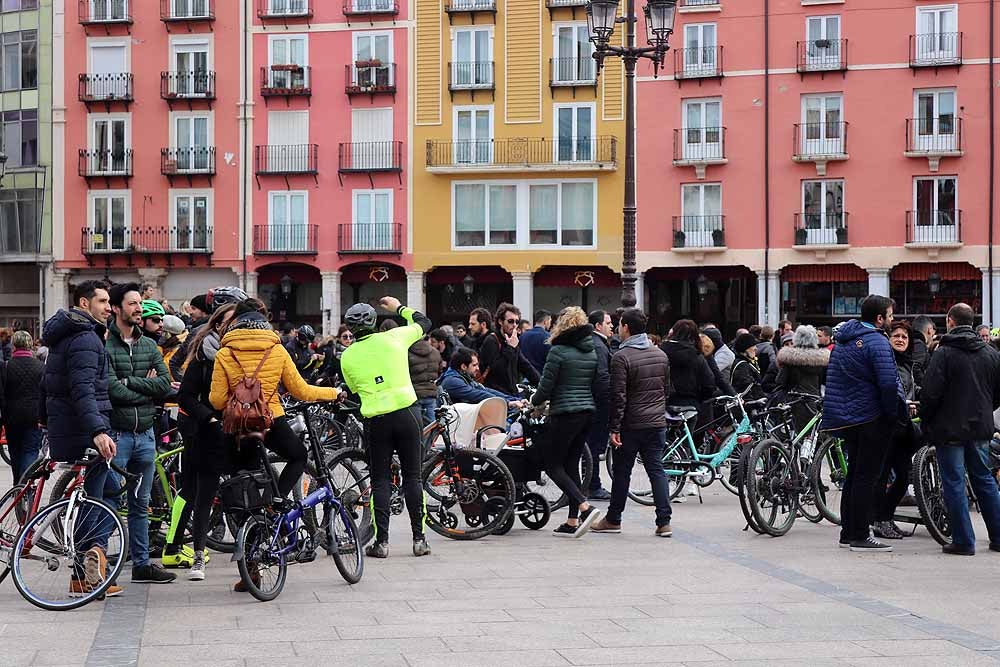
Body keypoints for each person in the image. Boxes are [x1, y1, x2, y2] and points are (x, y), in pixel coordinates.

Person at [209, 300, 339, 504]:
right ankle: (275, 501)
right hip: (270, 420)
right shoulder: (277, 351)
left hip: (238, 424)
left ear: (236, 322)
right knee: (298, 456)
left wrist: (240, 400)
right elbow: (301, 391)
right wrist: (333, 393)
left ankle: (248, 526)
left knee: (244, 476)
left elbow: (216, 401)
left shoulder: (225, 353)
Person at [40, 280, 122, 598]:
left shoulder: (61, 336)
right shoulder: (86, 338)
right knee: (97, 499)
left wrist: (45, 422)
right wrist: (98, 431)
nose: (108, 307)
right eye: (102, 301)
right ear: (84, 304)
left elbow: (47, 384)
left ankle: (84, 572)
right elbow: (83, 389)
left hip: (67, 428)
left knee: (106, 493)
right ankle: (92, 565)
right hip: (85, 430)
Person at [340, 296, 433, 559]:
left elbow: (354, 389)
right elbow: (424, 322)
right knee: (413, 476)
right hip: (408, 412)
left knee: (380, 480)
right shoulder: (395, 337)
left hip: (376, 420)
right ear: (373, 322)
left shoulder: (347, 356)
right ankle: (419, 539)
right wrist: (397, 308)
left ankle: (382, 543)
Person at [822, 294, 905, 553]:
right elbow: (889, 383)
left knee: (855, 475)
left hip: (849, 417)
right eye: (890, 316)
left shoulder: (844, 340)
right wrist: (893, 414)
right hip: (872, 417)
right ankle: (860, 534)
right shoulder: (877, 342)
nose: (891, 321)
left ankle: (848, 531)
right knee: (867, 477)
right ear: (879, 318)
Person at [106, 283, 176, 584]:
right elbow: (110, 390)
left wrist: (131, 383)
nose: (139, 308)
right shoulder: (105, 343)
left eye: (140, 303)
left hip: (145, 434)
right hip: (117, 434)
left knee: (140, 503)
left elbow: (164, 383)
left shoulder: (148, 345)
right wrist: (142, 388)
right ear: (117, 308)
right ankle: (93, 562)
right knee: (107, 500)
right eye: (132, 303)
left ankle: (142, 564)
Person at [920, 303, 1000, 556]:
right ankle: (998, 536)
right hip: (980, 427)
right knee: (985, 479)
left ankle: (964, 540)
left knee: (953, 482)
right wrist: (985, 410)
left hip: (950, 428)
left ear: (950, 321)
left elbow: (931, 393)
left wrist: (927, 419)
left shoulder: (944, 353)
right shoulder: (989, 352)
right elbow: (997, 393)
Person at [166, 303, 238, 581]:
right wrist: (209, 418)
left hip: (235, 428)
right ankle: (196, 555)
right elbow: (185, 396)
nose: (232, 327)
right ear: (218, 324)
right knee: (200, 491)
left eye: (237, 322)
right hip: (202, 429)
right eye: (227, 322)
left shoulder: (242, 354)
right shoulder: (203, 355)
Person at [592, 308, 673, 537]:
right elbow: (665, 390)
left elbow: (618, 396)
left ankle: (614, 518)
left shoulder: (621, 357)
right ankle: (664, 521)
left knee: (622, 472)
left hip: (631, 424)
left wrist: (614, 427)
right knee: (656, 470)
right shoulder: (660, 354)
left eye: (619, 325)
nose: (617, 329)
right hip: (656, 423)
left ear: (626, 327)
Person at [529, 307, 602, 538]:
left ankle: (584, 507)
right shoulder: (591, 351)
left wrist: (533, 401)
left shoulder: (558, 350)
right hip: (587, 413)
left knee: (551, 465)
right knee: (571, 465)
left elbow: (546, 386)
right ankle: (572, 521)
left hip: (565, 413)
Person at [871, 320, 921, 541]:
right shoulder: (886, 362)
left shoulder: (907, 363)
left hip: (902, 428)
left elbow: (909, 388)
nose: (900, 340)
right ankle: (880, 521)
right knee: (882, 477)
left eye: (904, 337)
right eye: (896, 336)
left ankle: (886, 518)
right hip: (886, 426)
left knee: (903, 476)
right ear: (888, 340)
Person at [1, 331, 44, 483]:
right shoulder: (40, 367)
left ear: (14, 345)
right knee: (31, 451)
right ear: (30, 345)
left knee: (15, 451)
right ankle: (25, 485)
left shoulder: (6, 366)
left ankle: (17, 484)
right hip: (35, 417)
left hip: (11, 417)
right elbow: (45, 393)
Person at [477, 303, 540, 396]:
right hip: (495, 395)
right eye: (510, 321)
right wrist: (510, 348)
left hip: (512, 394)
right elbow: (498, 370)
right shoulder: (491, 340)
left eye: (517, 322)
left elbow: (525, 366)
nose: (514, 325)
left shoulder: (512, 341)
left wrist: (543, 385)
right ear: (500, 321)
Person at [586, 310, 613, 500]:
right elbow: (602, 378)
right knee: (594, 447)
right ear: (598, 326)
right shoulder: (599, 346)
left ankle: (589, 483)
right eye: (608, 322)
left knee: (591, 447)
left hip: (593, 402)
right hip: (598, 404)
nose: (611, 325)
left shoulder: (597, 343)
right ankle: (593, 485)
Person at [437, 348, 524, 406]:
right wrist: (507, 403)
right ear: (463, 366)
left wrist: (515, 400)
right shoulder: (452, 381)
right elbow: (478, 395)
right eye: (474, 365)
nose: (478, 368)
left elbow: (484, 390)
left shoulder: (462, 376)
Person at [660, 320, 715, 408]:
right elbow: (708, 383)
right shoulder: (697, 356)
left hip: (665, 403)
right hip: (691, 403)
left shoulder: (661, 353)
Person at [408, 333, 442, 426]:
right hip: (431, 393)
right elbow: (439, 372)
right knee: (431, 425)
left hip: (414, 394)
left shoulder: (407, 353)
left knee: (416, 425)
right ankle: (431, 440)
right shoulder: (436, 352)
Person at [729, 333, 765, 401]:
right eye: (753, 345)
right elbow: (745, 389)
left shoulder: (747, 363)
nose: (756, 348)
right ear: (745, 349)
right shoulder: (741, 366)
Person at [519, 310, 552, 374]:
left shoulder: (522, 336)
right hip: (541, 375)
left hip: (525, 375)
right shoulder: (549, 337)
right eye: (550, 321)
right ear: (545, 322)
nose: (550, 324)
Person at [159, 315, 188, 382]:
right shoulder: (167, 347)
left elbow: (167, 373)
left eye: (162, 332)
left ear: (169, 334)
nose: (159, 334)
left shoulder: (179, 350)